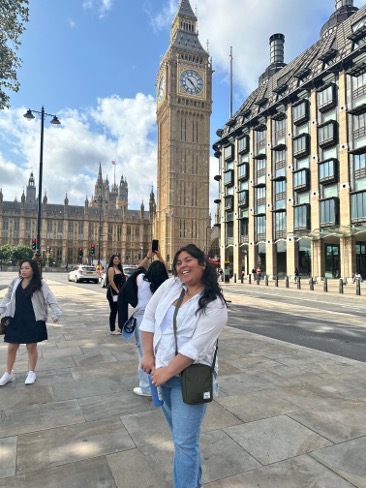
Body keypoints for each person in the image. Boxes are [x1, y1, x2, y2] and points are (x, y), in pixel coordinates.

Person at [140, 244, 227, 488]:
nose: (182, 266)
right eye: (178, 262)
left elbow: (194, 349)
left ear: (203, 264)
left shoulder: (215, 304)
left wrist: (167, 372)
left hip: (188, 380)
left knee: (184, 443)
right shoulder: (171, 286)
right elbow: (148, 317)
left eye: (188, 260)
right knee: (182, 441)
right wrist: (148, 354)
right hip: (161, 374)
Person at [0, 259, 62, 386]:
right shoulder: (16, 282)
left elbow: (50, 298)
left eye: (27, 268)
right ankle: (8, 373)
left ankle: (31, 372)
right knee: (12, 347)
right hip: (16, 318)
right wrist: (1, 309)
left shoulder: (40, 284)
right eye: (22, 268)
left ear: (33, 270)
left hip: (33, 319)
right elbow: (8, 297)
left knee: (31, 347)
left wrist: (56, 313)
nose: (23, 270)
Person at [132, 247, 168, 397]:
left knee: (144, 354)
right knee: (159, 352)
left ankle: (147, 388)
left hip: (143, 319)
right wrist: (159, 256)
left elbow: (138, 269)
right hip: (160, 320)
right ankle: (161, 382)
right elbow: (166, 271)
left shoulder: (141, 280)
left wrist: (148, 256)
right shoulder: (167, 285)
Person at [106, 254, 125, 335]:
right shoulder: (111, 269)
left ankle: (120, 327)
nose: (117, 260)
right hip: (113, 293)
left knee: (120, 310)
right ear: (112, 260)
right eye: (115, 259)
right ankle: (112, 329)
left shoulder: (119, 269)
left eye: (118, 259)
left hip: (119, 293)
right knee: (113, 311)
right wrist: (117, 291)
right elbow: (111, 281)